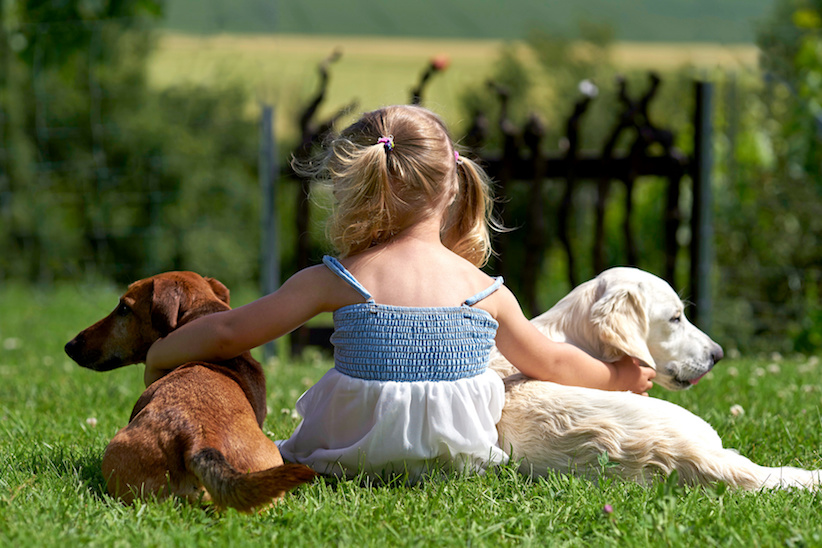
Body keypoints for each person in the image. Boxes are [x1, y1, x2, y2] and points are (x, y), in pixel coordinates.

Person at [146, 105, 655, 483]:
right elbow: (554, 363)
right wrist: (620, 376)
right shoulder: (484, 290)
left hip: (349, 456)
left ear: (356, 188)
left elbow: (229, 332)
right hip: (458, 460)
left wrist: (162, 351)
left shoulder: (338, 277)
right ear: (453, 186)